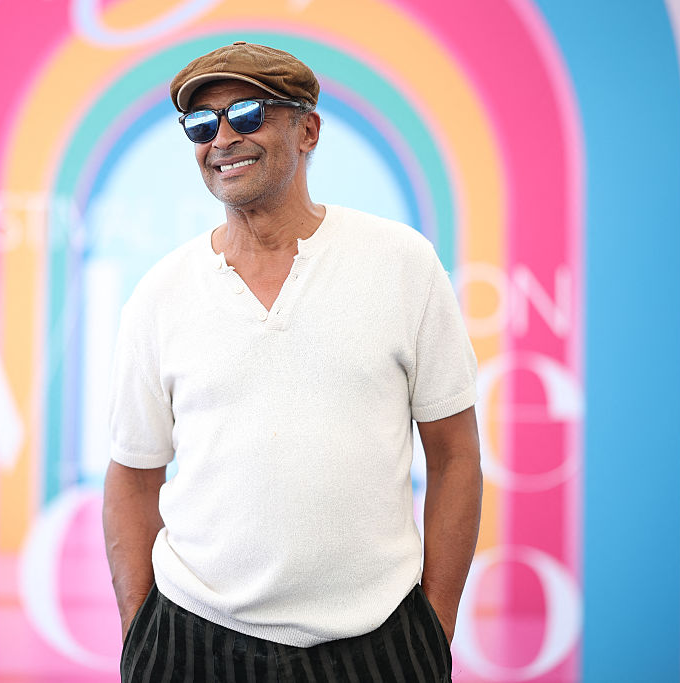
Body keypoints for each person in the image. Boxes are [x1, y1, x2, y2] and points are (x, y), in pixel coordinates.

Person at [103, 41, 482, 683]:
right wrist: (141, 638)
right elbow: (133, 477)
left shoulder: (402, 264)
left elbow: (455, 456)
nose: (222, 137)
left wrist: (433, 632)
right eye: (201, 123)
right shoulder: (160, 293)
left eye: (247, 114)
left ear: (307, 129)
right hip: (189, 642)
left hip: (378, 643)